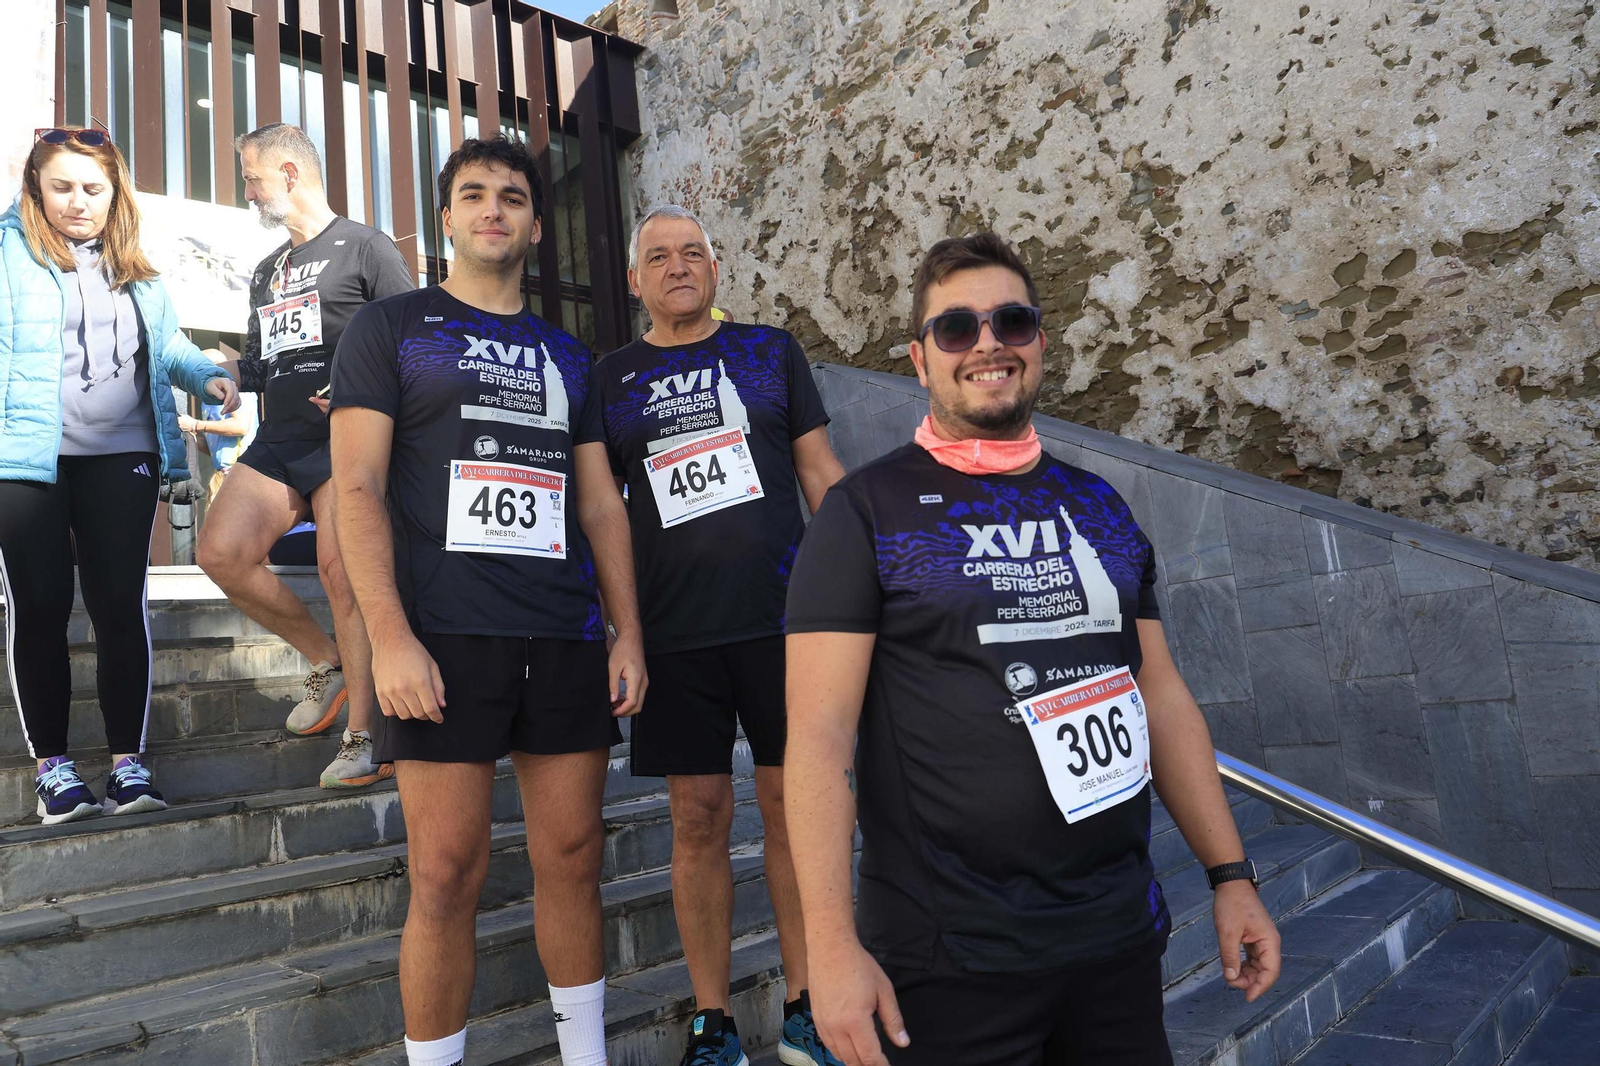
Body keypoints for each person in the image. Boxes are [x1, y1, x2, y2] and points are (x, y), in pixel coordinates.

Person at [783, 234, 1282, 1066]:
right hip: (952, 956)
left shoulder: (1099, 507)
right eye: (955, 329)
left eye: (1011, 321)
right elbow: (819, 737)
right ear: (920, 359)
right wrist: (830, 948)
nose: (987, 343)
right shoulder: (865, 511)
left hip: (1117, 940)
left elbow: (1159, 695)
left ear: (1039, 344)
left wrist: (1231, 878)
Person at [329, 135, 647, 1066]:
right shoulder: (389, 330)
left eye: (512, 196)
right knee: (444, 873)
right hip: (443, 635)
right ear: (447, 218)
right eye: (474, 195)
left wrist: (629, 630)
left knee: (576, 857)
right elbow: (356, 489)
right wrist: (388, 641)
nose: (493, 210)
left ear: (537, 226)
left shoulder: (566, 355)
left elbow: (599, 501)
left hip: (561, 631)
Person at [594, 204, 846, 1066]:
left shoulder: (770, 354)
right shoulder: (611, 378)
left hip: (786, 627)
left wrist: (867, 592)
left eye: (692, 253)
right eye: (658, 257)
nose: (677, 266)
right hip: (675, 637)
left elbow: (823, 477)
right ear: (635, 282)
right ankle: (713, 1020)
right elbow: (602, 517)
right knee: (697, 817)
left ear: (714, 268)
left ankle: (810, 1003)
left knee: (793, 811)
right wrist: (622, 631)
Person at [0, 127, 240, 824]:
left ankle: (129, 766)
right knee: (38, 605)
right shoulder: (5, 250)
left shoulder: (136, 265)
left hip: (122, 453)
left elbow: (167, 346)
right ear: (37, 187)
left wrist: (209, 375)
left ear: (114, 193)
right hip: (26, 460)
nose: (78, 202)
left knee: (118, 606)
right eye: (63, 186)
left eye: (93, 188)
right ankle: (54, 772)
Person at [196, 122, 415, 790]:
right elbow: (265, 362)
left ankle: (366, 738)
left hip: (346, 438)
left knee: (342, 573)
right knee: (219, 553)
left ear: (290, 173)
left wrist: (357, 390)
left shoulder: (366, 247)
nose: (248, 191)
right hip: (280, 439)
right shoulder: (268, 271)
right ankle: (327, 660)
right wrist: (230, 366)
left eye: (252, 176)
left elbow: (414, 343)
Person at [178, 347, 258, 501]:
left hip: (240, 472)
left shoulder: (235, 389)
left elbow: (241, 426)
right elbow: (215, 448)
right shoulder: (208, 401)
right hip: (221, 474)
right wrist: (188, 435)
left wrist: (196, 425)